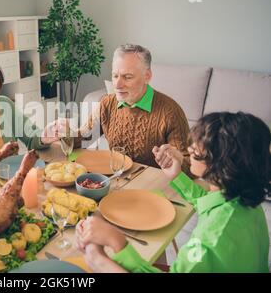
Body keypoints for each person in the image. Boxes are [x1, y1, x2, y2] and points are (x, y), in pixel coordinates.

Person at [76, 112, 270, 273]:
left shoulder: (211, 238)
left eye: (203, 144)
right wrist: (176, 176)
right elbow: (209, 201)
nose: (191, 147)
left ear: (226, 162)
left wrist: (111, 247)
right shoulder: (245, 202)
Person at [78, 44, 191, 171]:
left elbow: (190, 166)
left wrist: (177, 159)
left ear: (147, 76)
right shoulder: (107, 103)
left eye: (127, 77)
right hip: (116, 180)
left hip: (154, 186)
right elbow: (84, 138)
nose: (118, 85)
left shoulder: (170, 111)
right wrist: (61, 132)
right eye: (115, 76)